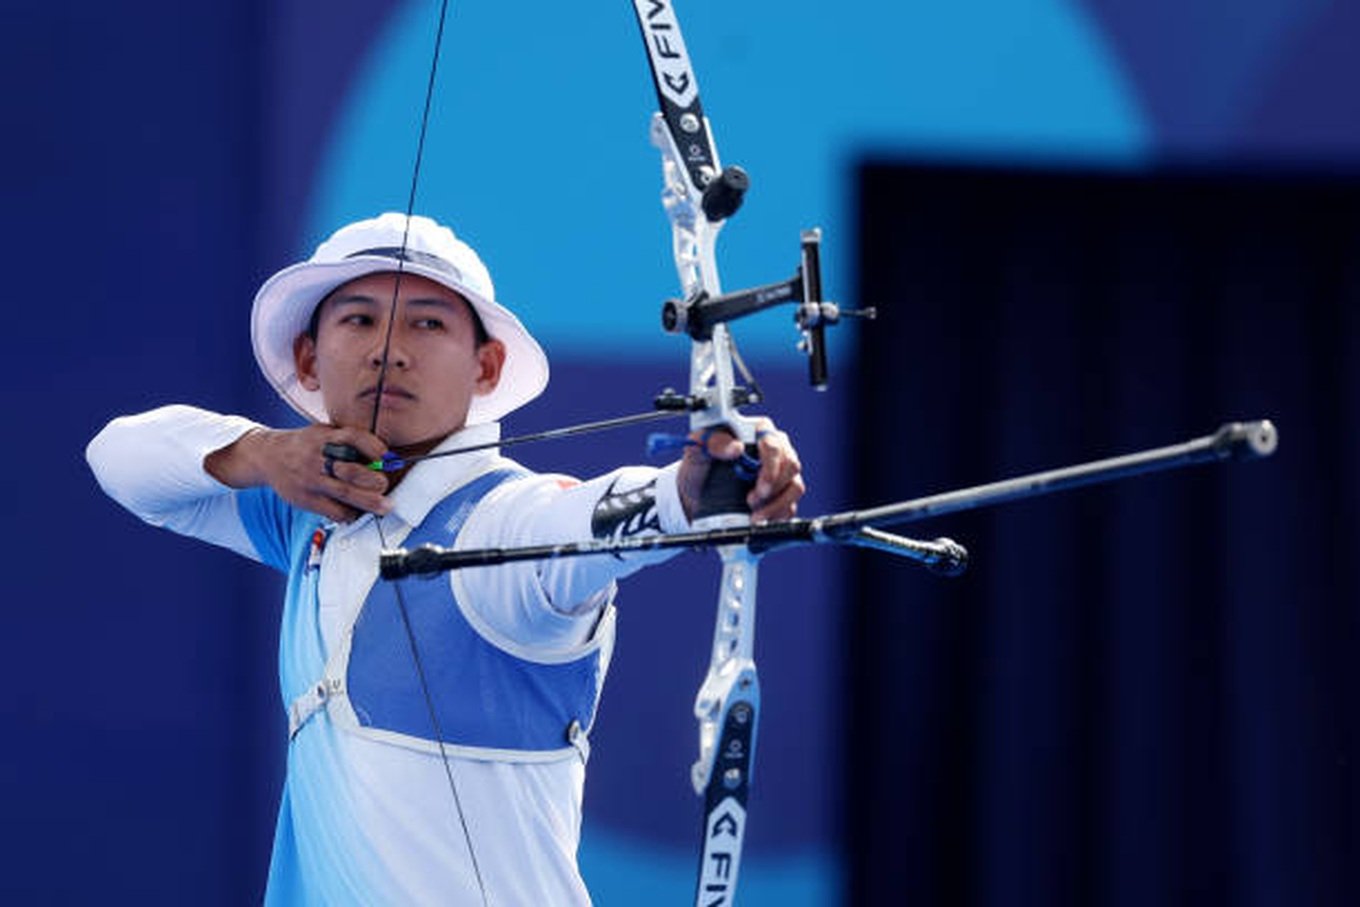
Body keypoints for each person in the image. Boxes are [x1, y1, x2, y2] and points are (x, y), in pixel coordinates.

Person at [85, 212, 804, 905]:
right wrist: (263, 453)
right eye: (359, 318)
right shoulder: (309, 512)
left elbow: (582, 523)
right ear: (309, 356)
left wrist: (694, 490)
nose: (389, 348)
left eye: (428, 322)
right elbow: (119, 458)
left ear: (486, 366)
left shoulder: (501, 523)